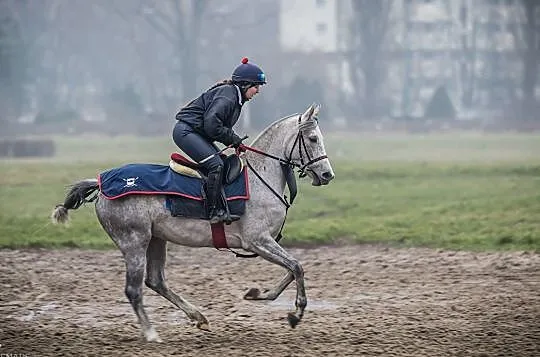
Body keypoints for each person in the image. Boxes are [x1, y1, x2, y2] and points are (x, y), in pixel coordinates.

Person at [173, 57, 266, 224]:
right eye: (256, 86)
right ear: (245, 85)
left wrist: (235, 141)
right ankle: (214, 211)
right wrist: (233, 139)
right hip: (186, 132)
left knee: (221, 161)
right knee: (216, 165)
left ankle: (220, 205)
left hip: (195, 132)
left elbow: (217, 126)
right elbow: (211, 124)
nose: (258, 91)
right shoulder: (229, 96)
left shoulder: (234, 96)